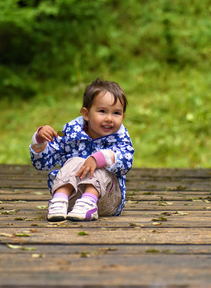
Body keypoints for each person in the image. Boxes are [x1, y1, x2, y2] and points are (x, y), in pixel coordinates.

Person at [30, 78, 134, 222]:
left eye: (116, 113)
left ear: (123, 116)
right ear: (86, 114)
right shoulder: (72, 135)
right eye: (102, 111)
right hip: (73, 199)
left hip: (107, 200)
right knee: (74, 161)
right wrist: (40, 141)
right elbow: (42, 163)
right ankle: (59, 201)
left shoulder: (120, 138)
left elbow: (126, 161)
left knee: (100, 165)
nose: (110, 118)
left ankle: (88, 202)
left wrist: (99, 159)